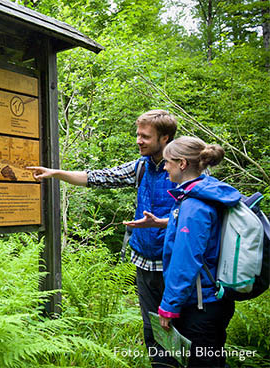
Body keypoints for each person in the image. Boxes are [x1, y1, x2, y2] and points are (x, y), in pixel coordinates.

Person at [28, 110, 177, 367]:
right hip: (145, 263)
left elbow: (200, 217)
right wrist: (55, 173)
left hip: (175, 263)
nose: (139, 140)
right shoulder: (140, 167)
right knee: (153, 331)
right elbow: (97, 177)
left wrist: (162, 222)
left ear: (165, 138)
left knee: (181, 328)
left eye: (145, 136)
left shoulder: (186, 167)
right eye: (138, 135)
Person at [153, 136, 237, 367]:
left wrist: (169, 307)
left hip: (200, 306)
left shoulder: (194, 205)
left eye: (167, 161)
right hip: (214, 299)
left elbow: (186, 261)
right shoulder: (208, 193)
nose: (164, 167)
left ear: (181, 164)